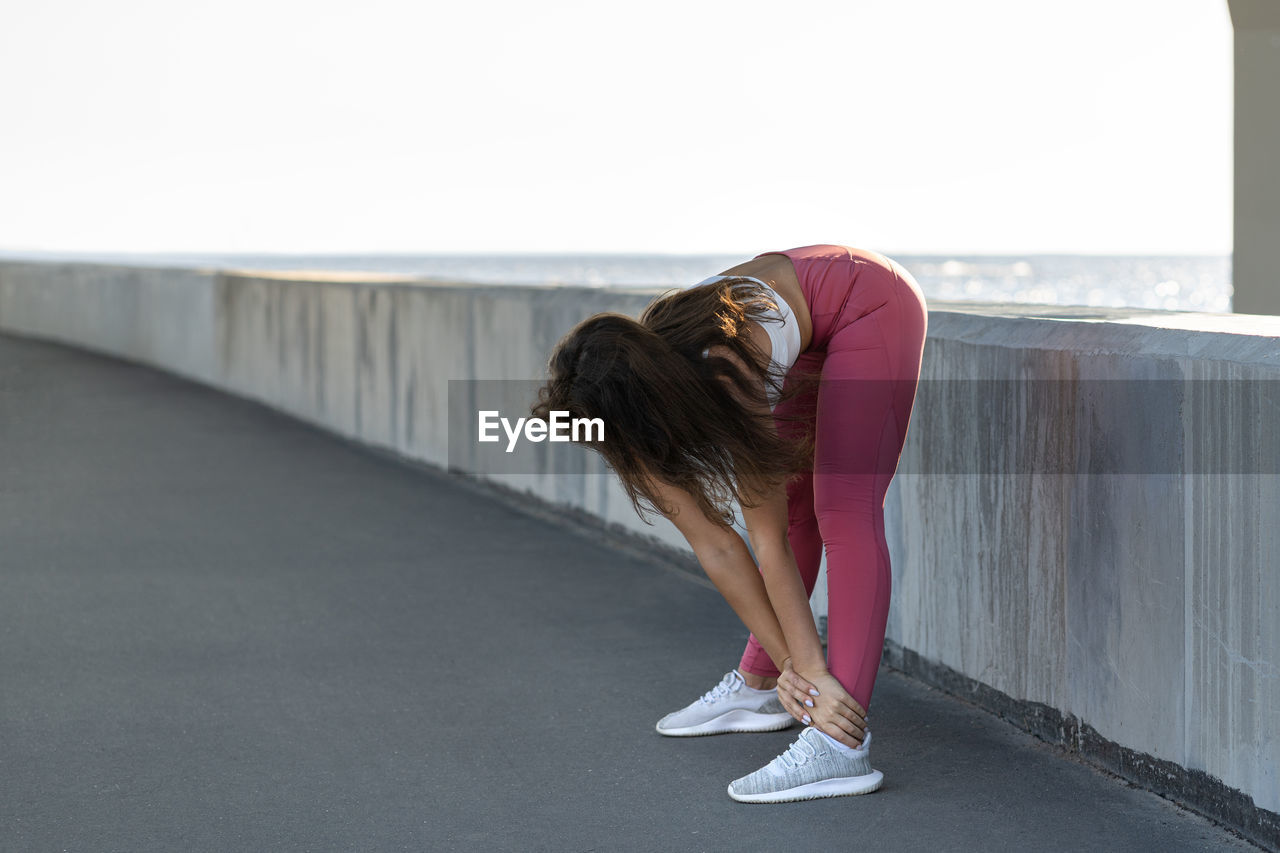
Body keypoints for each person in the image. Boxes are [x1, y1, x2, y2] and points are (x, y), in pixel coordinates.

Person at [529, 244, 928, 803]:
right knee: (794, 507)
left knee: (842, 506)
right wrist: (790, 663)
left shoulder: (726, 373)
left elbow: (766, 541)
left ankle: (839, 745)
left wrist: (812, 678)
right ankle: (763, 685)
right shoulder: (619, 408)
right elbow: (714, 543)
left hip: (867, 302)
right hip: (797, 323)